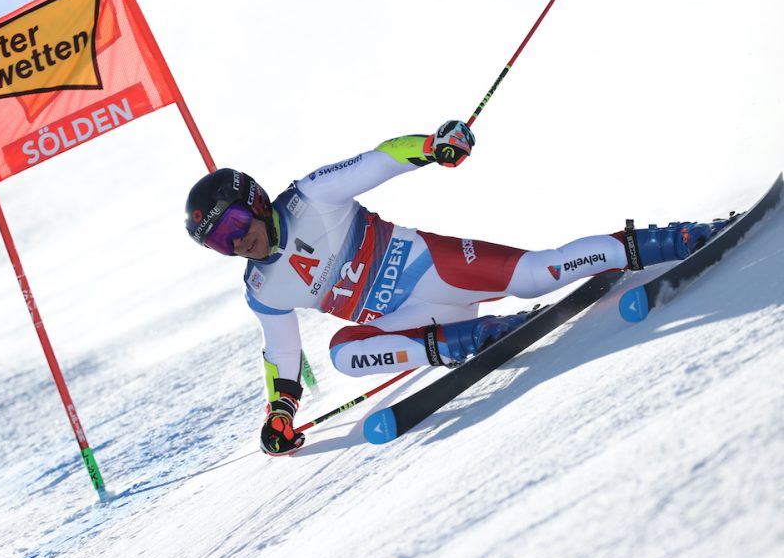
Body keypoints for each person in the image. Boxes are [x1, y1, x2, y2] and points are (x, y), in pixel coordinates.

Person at [184, 120, 726, 456]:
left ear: (252, 200)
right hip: (419, 324)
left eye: (233, 227)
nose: (238, 244)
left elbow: (380, 159)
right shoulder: (263, 289)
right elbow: (281, 355)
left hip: (432, 267)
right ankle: (466, 340)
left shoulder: (311, 195)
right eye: (220, 245)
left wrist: (433, 145)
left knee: (542, 271)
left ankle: (679, 239)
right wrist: (280, 413)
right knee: (344, 355)